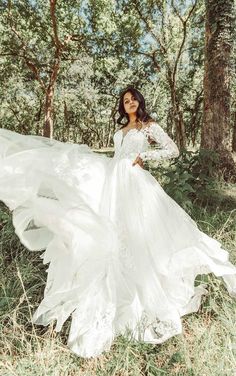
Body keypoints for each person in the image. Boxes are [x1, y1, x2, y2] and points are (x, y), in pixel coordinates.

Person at [0, 86, 235, 358]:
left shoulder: (149, 126)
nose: (130, 102)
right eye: (125, 100)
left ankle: (148, 281)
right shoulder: (121, 130)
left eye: (133, 98)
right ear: (122, 107)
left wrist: (143, 156)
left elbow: (173, 150)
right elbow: (116, 157)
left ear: (140, 102)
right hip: (113, 180)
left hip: (135, 182)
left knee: (139, 233)